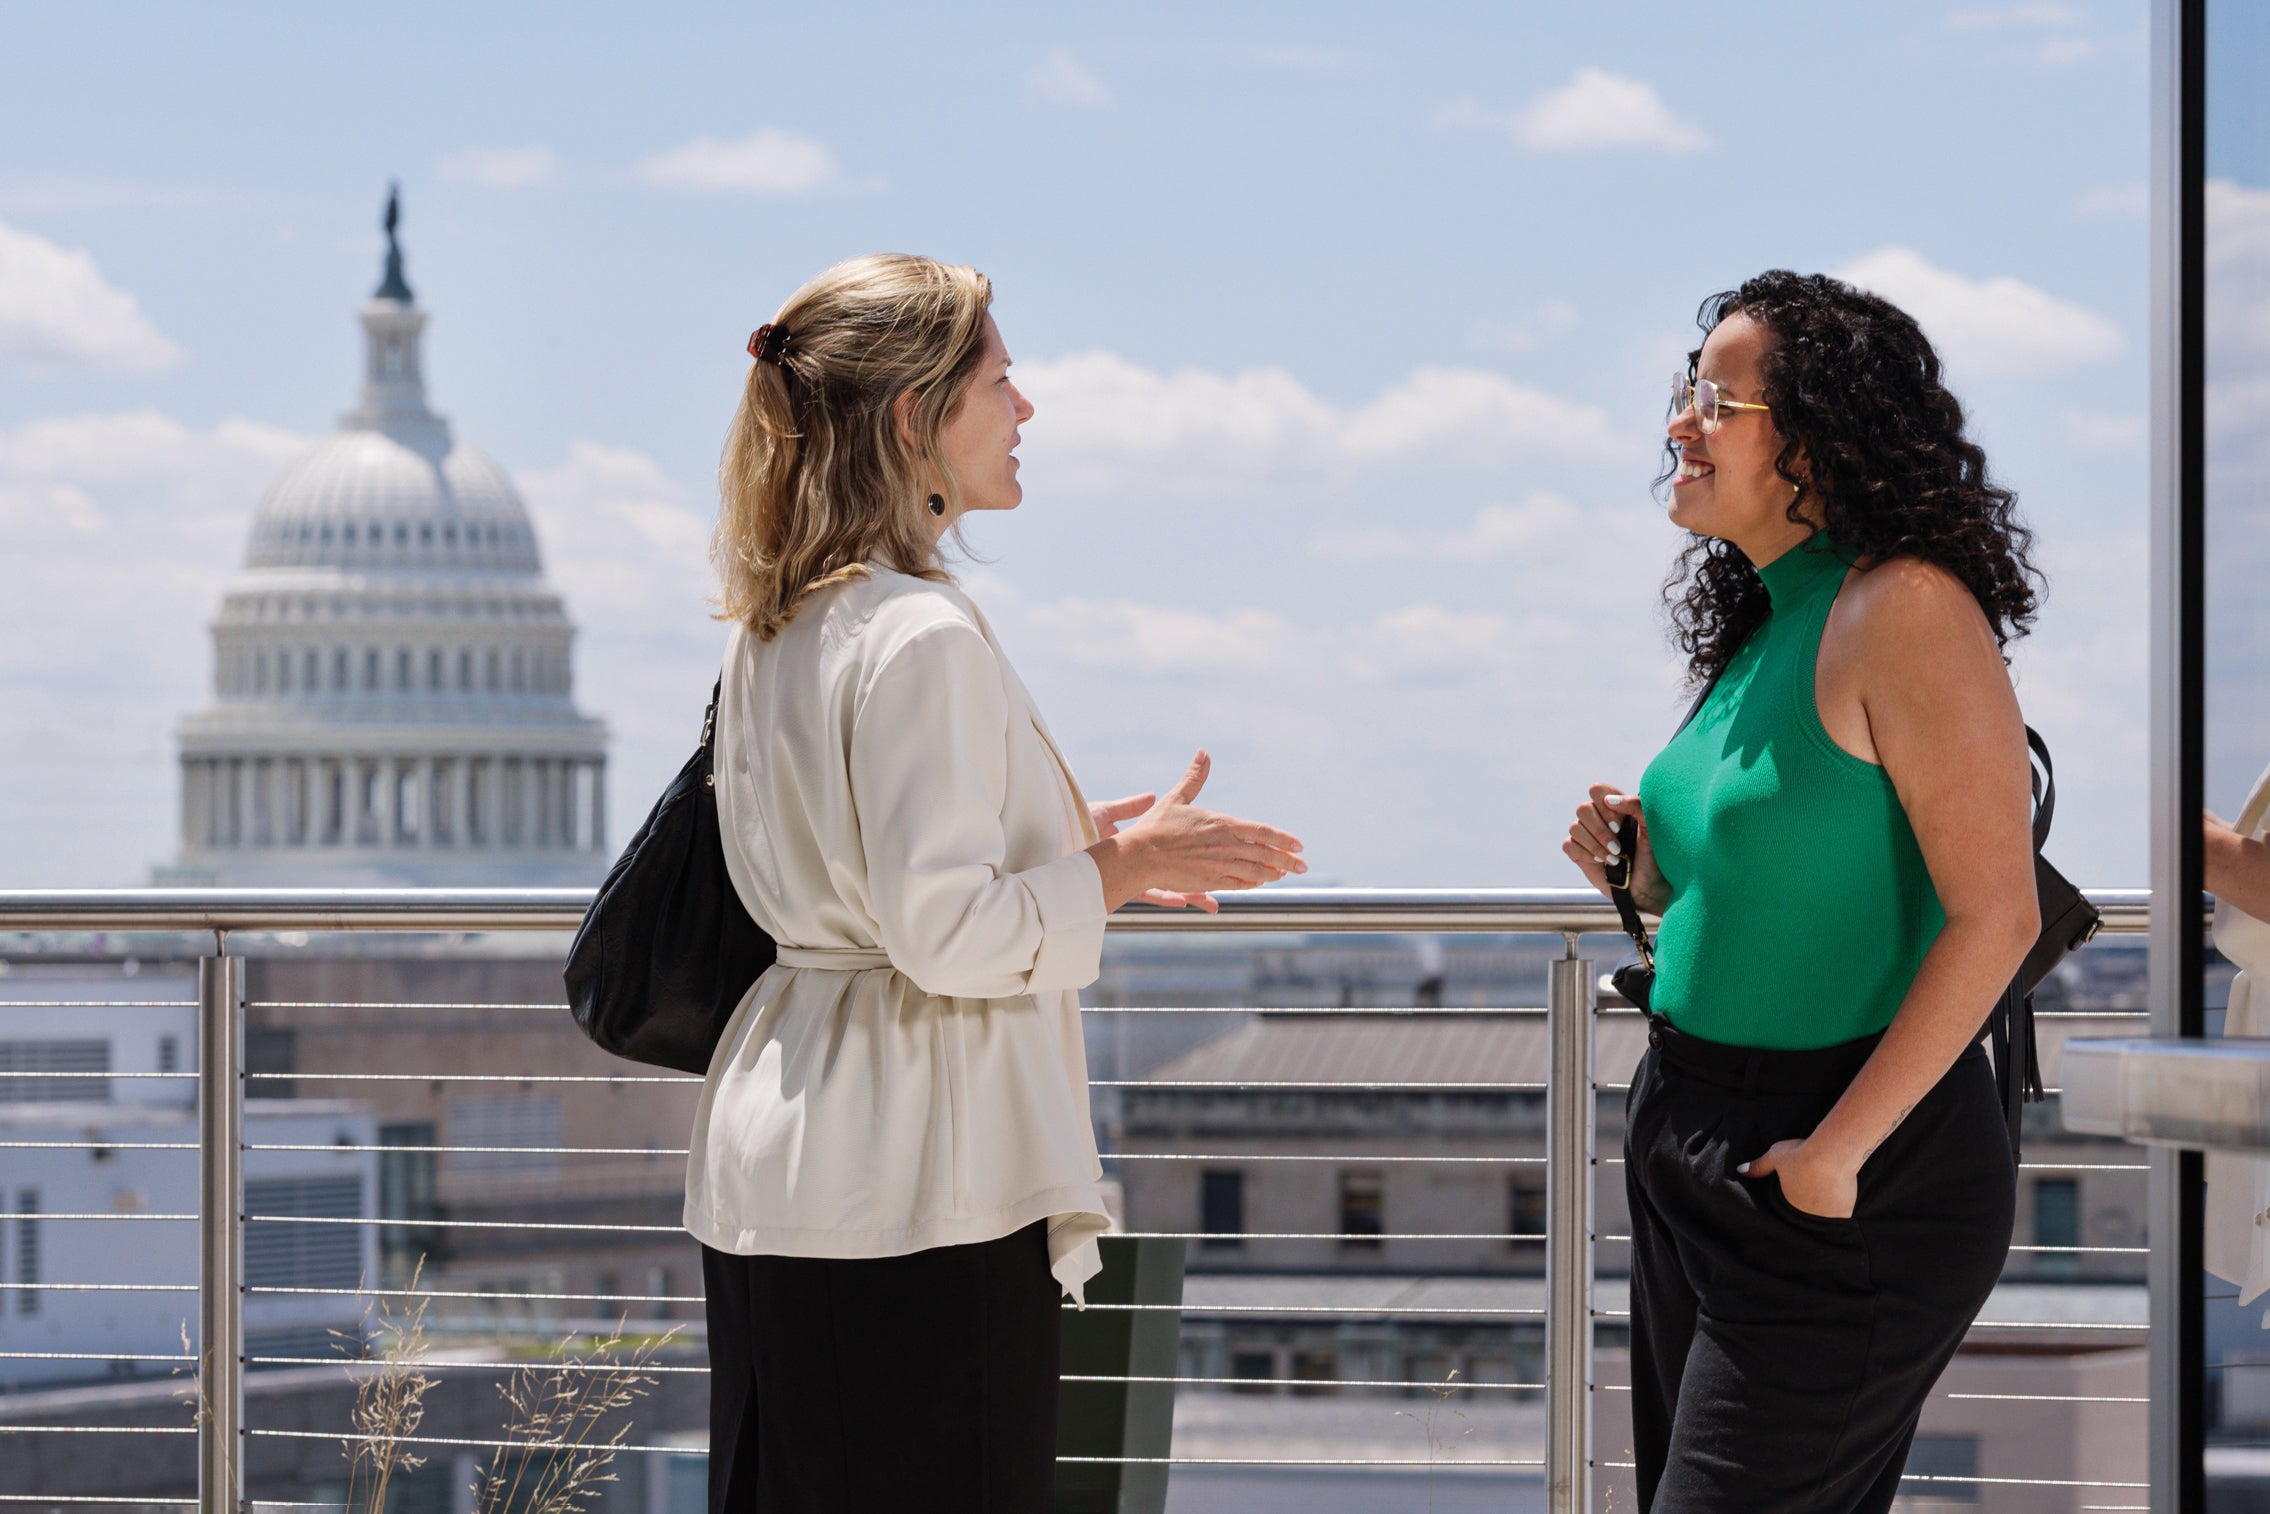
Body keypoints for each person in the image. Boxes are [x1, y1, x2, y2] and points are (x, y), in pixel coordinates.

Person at [687, 254, 1306, 1514]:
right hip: (919, 1172)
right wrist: (1118, 869)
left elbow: (852, 860)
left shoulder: (784, 620)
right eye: (1000, 380)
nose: (1026, 409)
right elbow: (946, 933)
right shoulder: (920, 631)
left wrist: (1073, 837)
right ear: (915, 417)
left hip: (785, 1146)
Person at [1563, 270, 2043, 1513]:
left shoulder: (1906, 607)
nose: (1678, 421)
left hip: (1840, 1161)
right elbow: (1777, 863)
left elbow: (1997, 913)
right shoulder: (1774, 618)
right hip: (1698, 1134)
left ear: (1818, 435)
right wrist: (1643, 864)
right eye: (1685, 391)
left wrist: (1834, 1156)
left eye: (1715, 400)